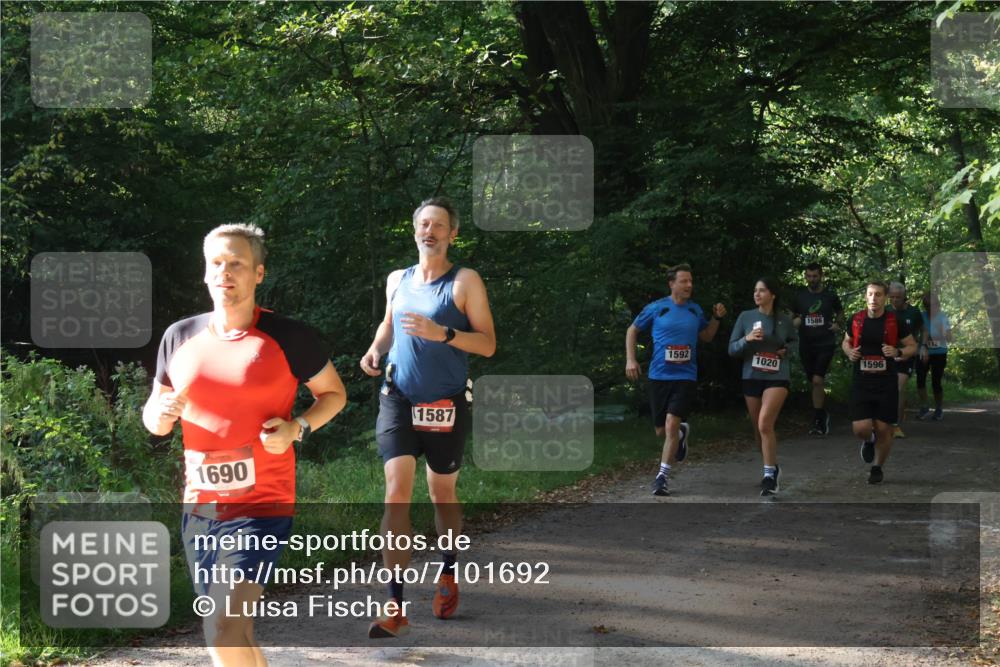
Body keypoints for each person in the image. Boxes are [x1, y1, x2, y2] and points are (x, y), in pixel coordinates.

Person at [143, 223, 347, 667]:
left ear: (258, 273)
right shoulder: (179, 337)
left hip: (263, 503)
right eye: (216, 263)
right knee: (237, 631)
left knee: (222, 626)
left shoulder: (288, 337)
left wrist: (297, 428)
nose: (225, 272)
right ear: (204, 273)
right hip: (200, 507)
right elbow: (155, 415)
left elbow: (333, 394)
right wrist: (157, 417)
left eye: (236, 263)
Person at [360, 197, 496, 638]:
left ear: (452, 234)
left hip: (446, 402)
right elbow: (388, 323)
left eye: (438, 225)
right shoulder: (397, 279)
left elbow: (488, 345)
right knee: (396, 492)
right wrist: (376, 348)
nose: (429, 230)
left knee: (441, 494)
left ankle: (449, 571)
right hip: (397, 396)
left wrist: (446, 334)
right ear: (415, 230)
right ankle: (395, 605)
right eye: (423, 223)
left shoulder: (465, 281)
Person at [626, 264, 727, 497]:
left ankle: (661, 477)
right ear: (672, 284)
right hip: (659, 375)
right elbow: (632, 330)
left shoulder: (695, 310)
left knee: (670, 423)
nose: (689, 285)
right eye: (684, 281)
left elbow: (707, 336)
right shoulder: (657, 308)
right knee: (661, 430)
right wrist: (631, 360)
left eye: (691, 281)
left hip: (685, 376)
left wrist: (716, 318)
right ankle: (681, 434)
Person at [841, 280, 918, 484]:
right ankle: (869, 440)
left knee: (885, 428)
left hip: (886, 381)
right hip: (861, 380)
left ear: (885, 298)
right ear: (865, 297)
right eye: (870, 294)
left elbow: (912, 346)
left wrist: (898, 351)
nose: (874, 298)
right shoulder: (856, 320)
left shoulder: (895, 321)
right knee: (860, 428)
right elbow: (846, 341)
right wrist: (849, 352)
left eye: (878, 295)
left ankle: (877, 467)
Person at [728, 278, 798, 496]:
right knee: (758, 430)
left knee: (765, 423)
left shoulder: (784, 320)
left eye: (762, 291)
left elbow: (795, 344)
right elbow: (731, 349)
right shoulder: (746, 317)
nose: (757, 294)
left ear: (772, 294)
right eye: (755, 291)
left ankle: (769, 477)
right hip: (752, 376)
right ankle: (772, 467)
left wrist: (786, 350)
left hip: (777, 376)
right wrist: (747, 339)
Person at [792, 263, 844, 436]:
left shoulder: (830, 295)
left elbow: (840, 312)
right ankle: (821, 415)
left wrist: (837, 323)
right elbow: (792, 317)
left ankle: (818, 419)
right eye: (809, 276)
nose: (812, 279)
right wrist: (795, 322)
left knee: (817, 380)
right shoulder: (800, 297)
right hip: (806, 344)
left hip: (825, 343)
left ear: (821, 276)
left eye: (815, 276)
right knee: (813, 381)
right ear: (805, 277)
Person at [888, 282, 923, 438]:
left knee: (899, 387)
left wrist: (923, 346)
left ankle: (895, 425)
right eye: (892, 297)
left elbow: (924, 330)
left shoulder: (914, 312)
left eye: (898, 297)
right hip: (887, 355)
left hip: (906, 355)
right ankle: (886, 422)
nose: (895, 300)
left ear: (904, 297)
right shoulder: (885, 311)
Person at [917, 292, 952, 421]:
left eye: (932, 305)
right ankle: (924, 407)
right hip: (923, 352)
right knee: (920, 379)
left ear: (938, 305)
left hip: (939, 353)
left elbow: (950, 338)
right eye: (927, 306)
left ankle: (938, 409)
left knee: (936, 382)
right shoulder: (921, 316)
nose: (930, 308)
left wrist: (942, 331)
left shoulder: (943, 318)